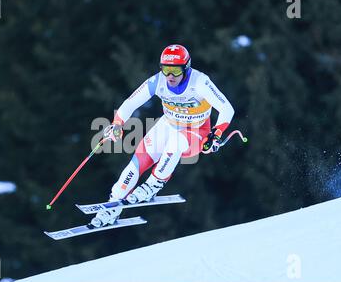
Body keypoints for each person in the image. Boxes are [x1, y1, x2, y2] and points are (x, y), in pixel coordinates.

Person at [90, 44, 235, 228]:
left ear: (186, 67)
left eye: (175, 70)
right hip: (168, 124)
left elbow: (226, 109)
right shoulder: (157, 81)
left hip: (196, 131)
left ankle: (153, 185)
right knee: (135, 164)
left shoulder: (200, 82)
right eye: (166, 70)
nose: (170, 76)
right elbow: (130, 103)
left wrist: (217, 134)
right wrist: (117, 124)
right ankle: (111, 208)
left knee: (175, 143)